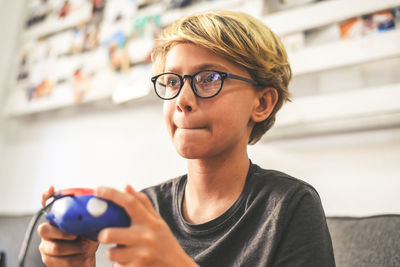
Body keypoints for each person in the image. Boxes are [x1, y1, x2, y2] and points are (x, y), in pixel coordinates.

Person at [38, 11, 336, 267]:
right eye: (171, 81)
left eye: (209, 78)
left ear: (262, 103)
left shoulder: (289, 206)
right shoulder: (147, 207)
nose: (182, 99)